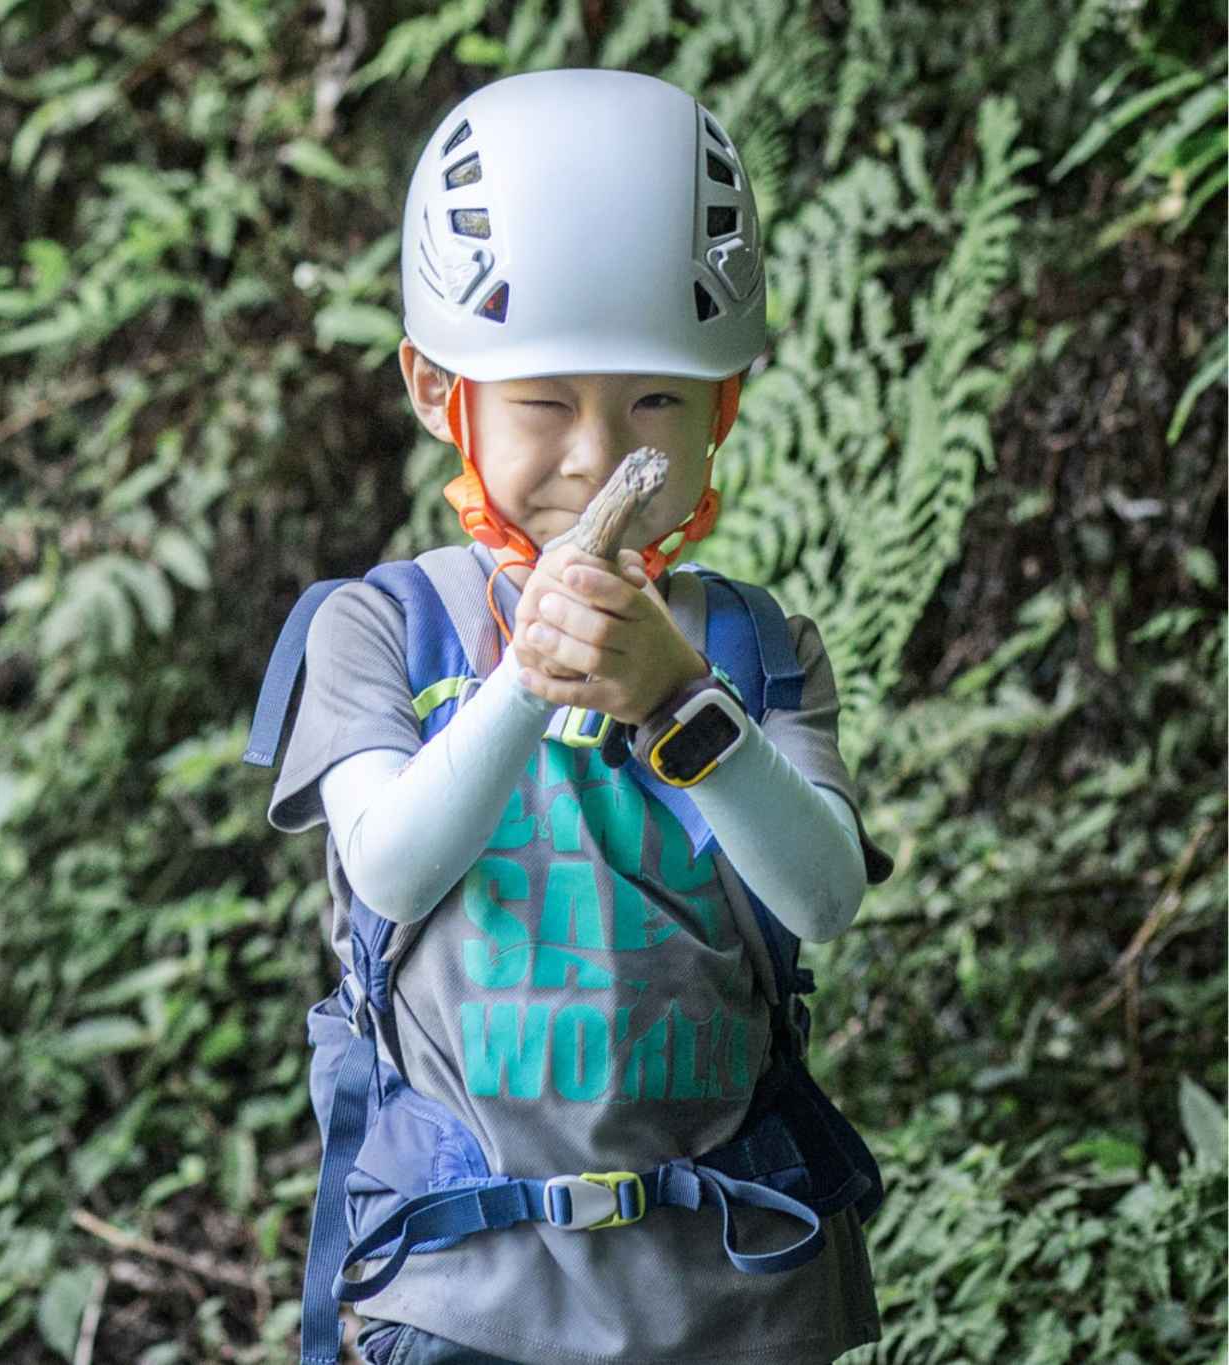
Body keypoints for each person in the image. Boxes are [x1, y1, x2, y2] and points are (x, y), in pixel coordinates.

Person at [264, 69, 897, 1365]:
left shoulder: (754, 651)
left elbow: (822, 894)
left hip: (735, 1292)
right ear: (444, 392)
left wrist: (678, 696)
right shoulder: (380, 629)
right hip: (458, 1294)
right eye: (545, 402)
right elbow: (387, 863)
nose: (599, 455)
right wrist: (526, 676)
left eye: (654, 400)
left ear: (720, 406)